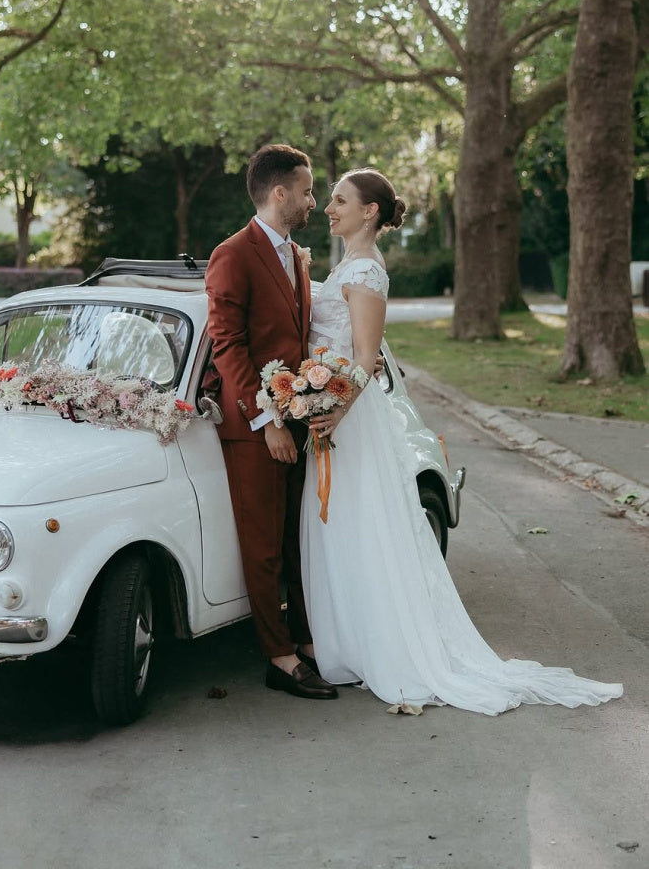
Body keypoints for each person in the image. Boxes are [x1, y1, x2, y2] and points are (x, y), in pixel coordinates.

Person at [300, 168, 624, 714]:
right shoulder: (349, 267)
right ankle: (349, 644)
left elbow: (364, 359)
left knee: (363, 526)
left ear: (369, 212)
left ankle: (385, 649)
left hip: (349, 420)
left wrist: (334, 411)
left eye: (338, 200)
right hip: (335, 412)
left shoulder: (367, 273)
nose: (329, 207)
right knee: (346, 529)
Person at [205, 143, 338, 699]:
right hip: (255, 429)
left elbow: (298, 335)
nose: (314, 201)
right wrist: (269, 421)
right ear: (279, 193)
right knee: (262, 547)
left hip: (301, 419)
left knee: (296, 539)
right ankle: (278, 658)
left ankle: (307, 642)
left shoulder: (295, 255)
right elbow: (227, 346)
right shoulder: (232, 254)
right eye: (307, 191)